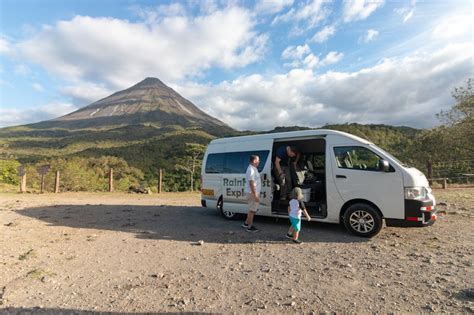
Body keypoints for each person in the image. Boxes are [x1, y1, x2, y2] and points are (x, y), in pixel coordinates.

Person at [242, 155, 261, 232]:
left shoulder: (253, 169)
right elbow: (251, 183)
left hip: (252, 192)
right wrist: (255, 195)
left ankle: (246, 223)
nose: (259, 162)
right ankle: (250, 227)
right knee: (252, 210)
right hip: (252, 193)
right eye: (258, 160)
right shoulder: (251, 170)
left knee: (251, 209)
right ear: (254, 161)